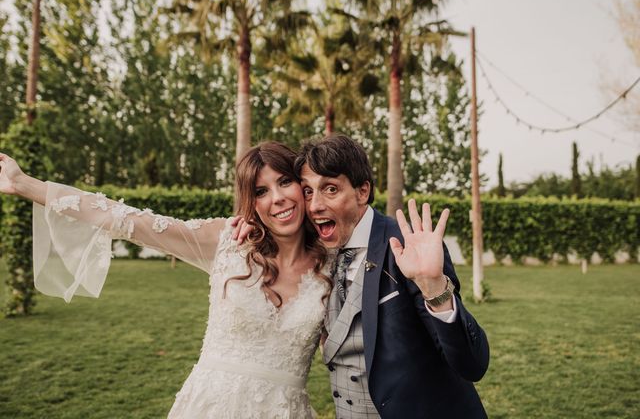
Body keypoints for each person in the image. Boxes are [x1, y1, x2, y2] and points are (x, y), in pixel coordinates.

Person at [0, 142, 332, 418]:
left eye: (284, 182)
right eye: (261, 190)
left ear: (303, 186)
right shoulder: (228, 242)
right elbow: (124, 219)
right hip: (212, 408)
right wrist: (24, 184)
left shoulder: (332, 265)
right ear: (252, 201)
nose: (277, 198)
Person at [239, 134, 490, 418]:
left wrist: (436, 289)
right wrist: (252, 224)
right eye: (308, 191)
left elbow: (473, 364)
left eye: (330, 189)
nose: (314, 205)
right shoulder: (319, 251)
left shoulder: (406, 245)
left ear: (362, 191)